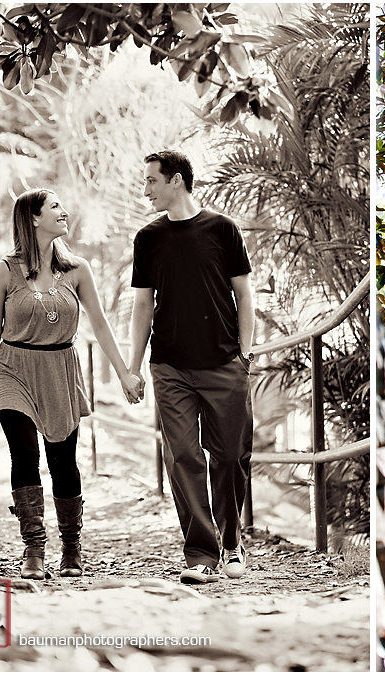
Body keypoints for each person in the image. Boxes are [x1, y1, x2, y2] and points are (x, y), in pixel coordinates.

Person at [0, 188, 143, 580]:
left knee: (63, 461)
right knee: (24, 453)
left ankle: (71, 548)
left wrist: (123, 373)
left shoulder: (78, 270)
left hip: (59, 369)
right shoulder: (2, 271)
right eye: (55, 207)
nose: (64, 212)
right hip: (12, 368)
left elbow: (100, 325)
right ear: (33, 219)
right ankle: (33, 550)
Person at [129, 150, 255, 585]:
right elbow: (143, 305)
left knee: (230, 459)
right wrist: (133, 366)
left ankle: (233, 543)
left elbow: (245, 294)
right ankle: (201, 553)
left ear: (176, 181)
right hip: (170, 366)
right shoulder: (148, 238)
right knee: (182, 456)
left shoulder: (222, 229)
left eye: (151, 181)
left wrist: (246, 352)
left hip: (224, 363)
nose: (145, 189)